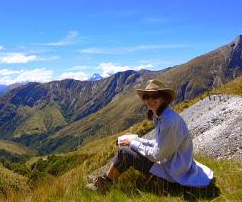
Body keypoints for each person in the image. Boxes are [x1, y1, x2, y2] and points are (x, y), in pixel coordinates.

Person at [86, 79, 214, 192]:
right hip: (175, 166)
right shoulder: (163, 116)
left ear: (164, 98)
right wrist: (136, 139)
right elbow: (160, 144)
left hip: (173, 175)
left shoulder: (168, 121)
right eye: (147, 96)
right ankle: (104, 178)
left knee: (125, 152)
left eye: (155, 96)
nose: (150, 100)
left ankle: (104, 184)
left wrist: (132, 143)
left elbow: (156, 155)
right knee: (129, 144)